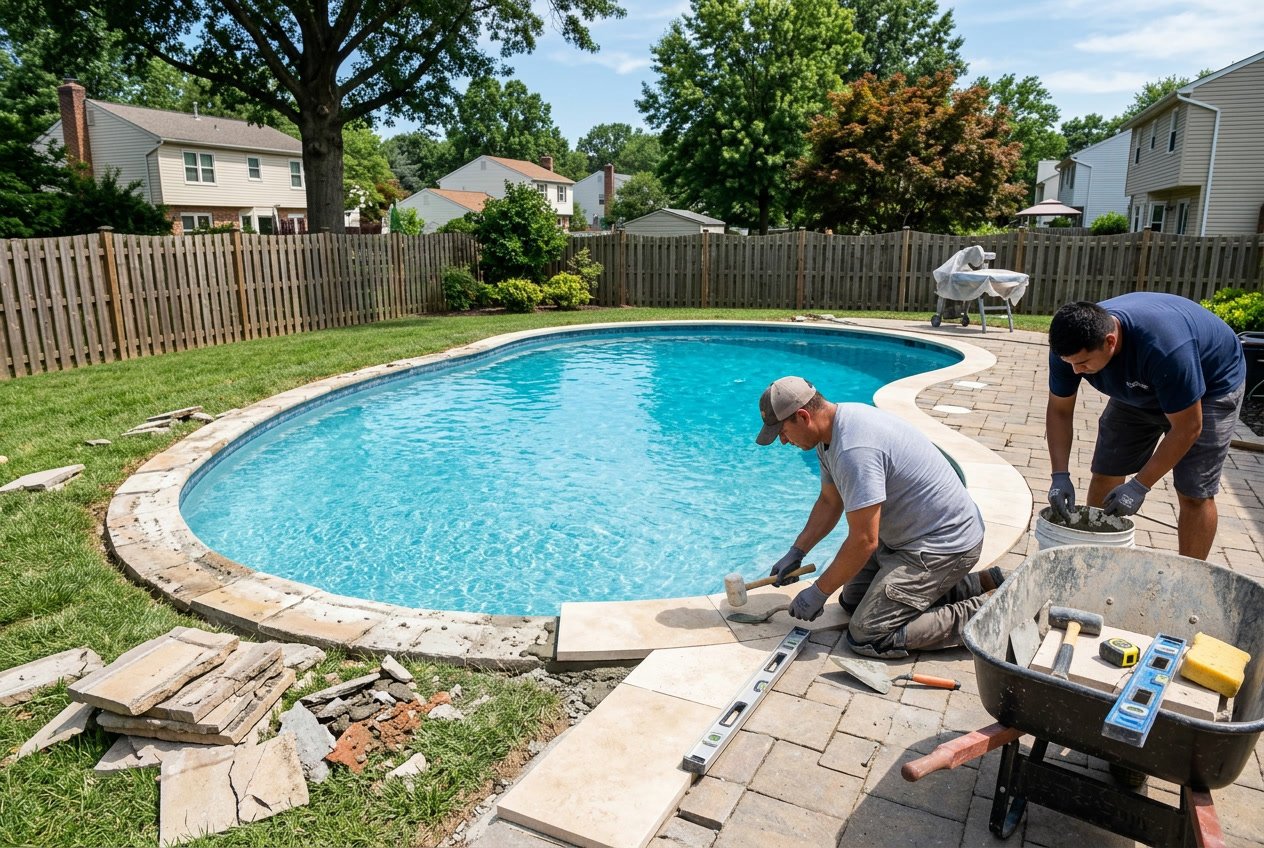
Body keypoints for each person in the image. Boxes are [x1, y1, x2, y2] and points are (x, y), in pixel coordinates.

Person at [755, 376, 999, 659]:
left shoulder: (854, 450)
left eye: (783, 431)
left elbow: (864, 541)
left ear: (803, 416)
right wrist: (797, 551)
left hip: (942, 546)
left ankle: (992, 610)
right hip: (909, 538)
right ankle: (981, 583)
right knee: (853, 600)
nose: (783, 441)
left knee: (869, 633)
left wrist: (819, 591)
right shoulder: (831, 431)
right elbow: (830, 501)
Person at [1045, 294, 1245, 560]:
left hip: (1210, 386)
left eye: (1082, 363)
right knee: (1107, 471)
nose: (1075, 371)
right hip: (1142, 385)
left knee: (1194, 492)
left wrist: (1140, 486)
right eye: (1069, 362)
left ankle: (1188, 576)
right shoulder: (1069, 349)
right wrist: (1059, 475)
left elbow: (1188, 427)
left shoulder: (1165, 349)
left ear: (1110, 341)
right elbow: (1059, 411)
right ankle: (1096, 562)